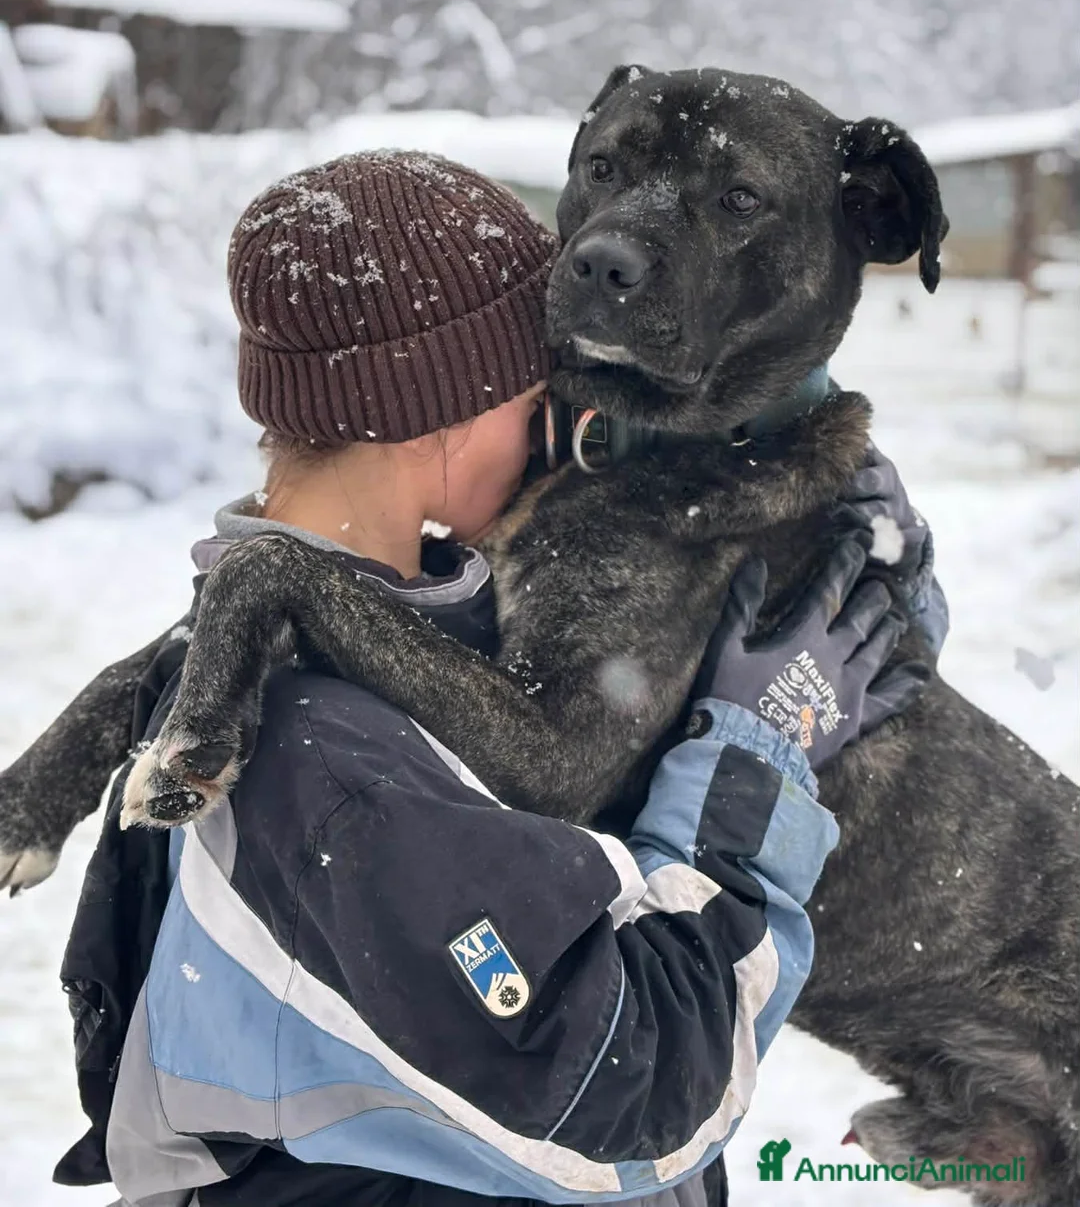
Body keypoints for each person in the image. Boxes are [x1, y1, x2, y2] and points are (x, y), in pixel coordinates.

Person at [55, 151, 945, 1207]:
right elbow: (643, 1095)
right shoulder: (332, 770)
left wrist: (823, 520)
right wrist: (757, 762)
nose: (564, 442)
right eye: (543, 401)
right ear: (442, 417)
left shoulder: (308, 645)